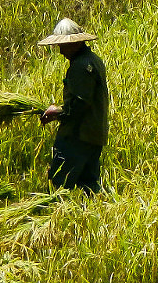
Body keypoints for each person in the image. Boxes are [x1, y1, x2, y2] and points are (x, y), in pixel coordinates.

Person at [38, 18, 108, 193]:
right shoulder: (94, 60)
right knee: (89, 188)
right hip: (94, 135)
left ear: (76, 44)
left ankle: (54, 218)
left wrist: (56, 112)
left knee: (58, 187)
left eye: (63, 46)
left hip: (77, 137)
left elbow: (79, 105)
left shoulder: (80, 67)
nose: (61, 51)